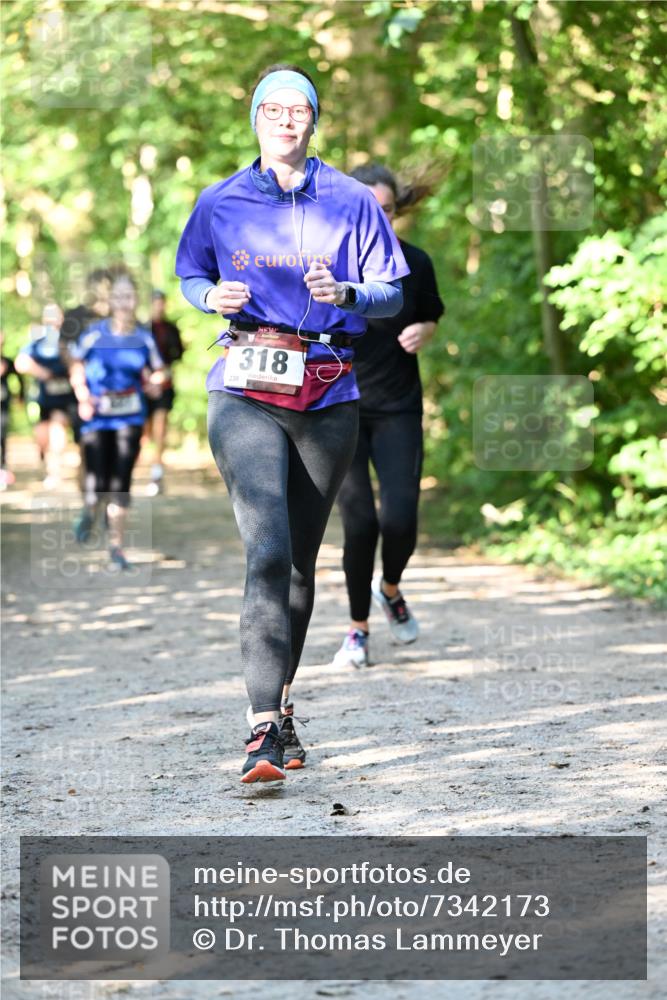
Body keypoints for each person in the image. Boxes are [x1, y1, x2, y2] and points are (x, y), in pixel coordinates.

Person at [176, 63, 409, 783]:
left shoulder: (349, 200)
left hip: (328, 390)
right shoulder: (219, 200)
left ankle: (280, 706)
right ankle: (258, 732)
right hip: (244, 383)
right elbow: (190, 275)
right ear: (254, 118)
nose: (284, 119)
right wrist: (211, 295)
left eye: (297, 109)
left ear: (313, 120)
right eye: (271, 109)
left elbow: (389, 295)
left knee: (301, 565)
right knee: (267, 549)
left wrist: (345, 291)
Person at [332, 163, 444, 670]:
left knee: (400, 520)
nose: (379, 218)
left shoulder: (414, 263)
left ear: (397, 212)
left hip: (398, 407)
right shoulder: (328, 262)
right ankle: (357, 631)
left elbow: (430, 317)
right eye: (368, 209)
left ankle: (391, 588)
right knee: (359, 524)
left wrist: (425, 331)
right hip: (340, 407)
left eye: (388, 210)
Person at [69, 270, 165, 570]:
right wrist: (83, 395)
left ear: (135, 300)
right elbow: (75, 362)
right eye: (118, 296)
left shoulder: (143, 338)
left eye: (129, 296)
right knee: (97, 479)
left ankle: (116, 548)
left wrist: (156, 382)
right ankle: (89, 507)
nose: (124, 302)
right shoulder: (95, 334)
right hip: (97, 417)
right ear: (110, 301)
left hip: (130, 416)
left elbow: (161, 370)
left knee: (120, 481)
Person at [15, 303, 77, 489]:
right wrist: (42, 372)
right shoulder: (37, 341)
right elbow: (21, 362)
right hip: (44, 399)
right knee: (42, 438)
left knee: (58, 430)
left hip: (64, 398)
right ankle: (45, 459)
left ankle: (55, 471)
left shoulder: (69, 341)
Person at [144, 290, 185, 494]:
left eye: (161, 302)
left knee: (160, 428)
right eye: (155, 303)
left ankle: (157, 473)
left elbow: (177, 356)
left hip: (165, 386)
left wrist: (163, 375)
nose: (159, 306)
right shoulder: (141, 328)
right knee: (145, 433)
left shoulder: (171, 329)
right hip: (141, 387)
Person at [0, 330, 24, 490]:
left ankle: (2, 469)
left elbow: (19, 378)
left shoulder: (7, 362)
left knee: (1, 436)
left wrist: (20, 396)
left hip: (3, 407)